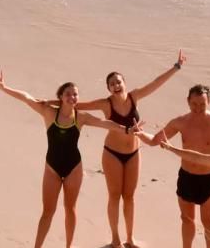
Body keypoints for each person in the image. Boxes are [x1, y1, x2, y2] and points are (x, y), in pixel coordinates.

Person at [0, 71, 141, 248]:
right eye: (68, 94)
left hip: (74, 168)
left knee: (70, 209)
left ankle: (68, 247)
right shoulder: (48, 112)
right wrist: (4, 88)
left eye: (75, 94)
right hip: (52, 168)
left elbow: (105, 123)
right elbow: (27, 98)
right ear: (61, 97)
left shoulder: (81, 117)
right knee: (48, 212)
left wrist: (127, 130)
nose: (73, 97)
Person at [75, 50, 187, 248]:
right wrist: (47, 103)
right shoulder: (105, 104)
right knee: (114, 196)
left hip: (134, 153)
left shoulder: (135, 97)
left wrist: (176, 67)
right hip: (112, 154)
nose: (116, 86)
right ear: (108, 89)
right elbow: (76, 105)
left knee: (129, 197)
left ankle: (130, 238)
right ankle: (115, 239)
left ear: (124, 83)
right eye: (112, 84)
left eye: (119, 82)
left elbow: (155, 83)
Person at [142, 85, 210, 248]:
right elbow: (155, 140)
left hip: (209, 179)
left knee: (208, 221)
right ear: (188, 102)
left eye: (202, 104)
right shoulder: (180, 122)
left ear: (209, 101)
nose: (198, 108)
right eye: (194, 104)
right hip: (187, 177)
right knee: (186, 219)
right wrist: (140, 134)